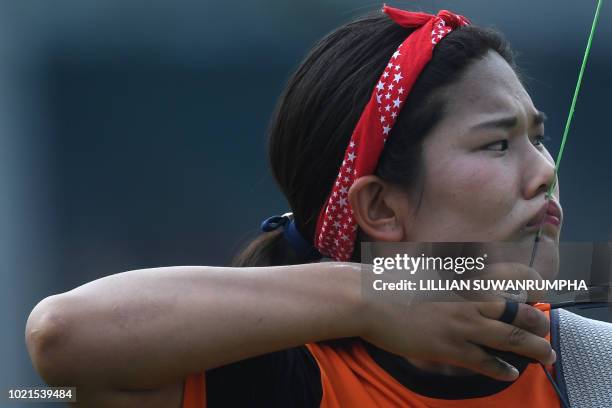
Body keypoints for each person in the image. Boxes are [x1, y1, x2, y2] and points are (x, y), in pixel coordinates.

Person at [25, 5, 611, 408]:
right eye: (497, 143)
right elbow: (61, 336)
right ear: (379, 207)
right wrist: (377, 295)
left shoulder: (593, 373)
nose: (545, 171)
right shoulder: (276, 378)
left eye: (537, 137)